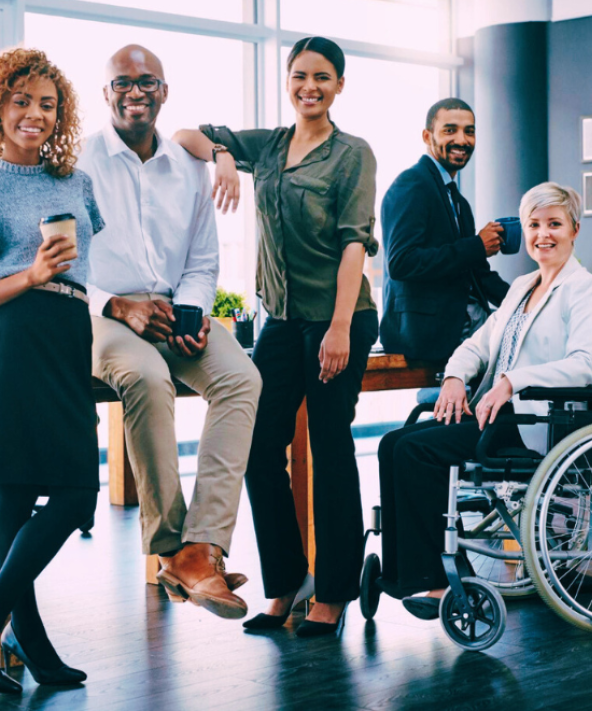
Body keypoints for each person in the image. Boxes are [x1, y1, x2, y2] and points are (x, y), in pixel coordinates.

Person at [174, 36, 380, 637]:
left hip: (337, 317)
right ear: (287, 81)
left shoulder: (352, 154)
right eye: (299, 76)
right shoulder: (268, 145)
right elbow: (186, 133)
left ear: (339, 85)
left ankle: (334, 592)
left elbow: (353, 244)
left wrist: (340, 326)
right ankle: (286, 582)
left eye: (321, 77)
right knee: (259, 447)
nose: (308, 87)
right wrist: (221, 156)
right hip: (281, 321)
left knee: (330, 444)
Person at [79, 45, 262, 620]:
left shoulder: (189, 167)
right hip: (101, 314)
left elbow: (203, 260)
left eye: (148, 82)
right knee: (145, 377)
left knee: (241, 378)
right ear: (106, 92)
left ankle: (202, 547)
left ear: (164, 91)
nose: (136, 92)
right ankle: (168, 547)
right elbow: (61, 266)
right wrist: (119, 305)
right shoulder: (79, 163)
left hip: (172, 310)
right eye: (123, 83)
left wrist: (190, 311)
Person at [377, 182, 592, 618]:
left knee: (415, 450)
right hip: (498, 416)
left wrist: (512, 381)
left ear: (575, 229)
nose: (543, 234)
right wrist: (453, 377)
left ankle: (434, 579)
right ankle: (403, 575)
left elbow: (585, 364)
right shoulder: (523, 285)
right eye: (534, 225)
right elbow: (478, 345)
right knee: (394, 442)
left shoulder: (587, 289)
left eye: (554, 224)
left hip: (539, 423)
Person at [0, 49, 103, 689]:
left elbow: (92, 259)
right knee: (74, 489)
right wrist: (34, 273)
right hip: (15, 333)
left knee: (11, 504)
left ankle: (31, 649)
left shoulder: (76, 182)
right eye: (21, 101)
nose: (35, 114)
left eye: (47, 103)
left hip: (70, 330)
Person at [380, 98, 509, 361]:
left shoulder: (458, 201)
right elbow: (402, 263)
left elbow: (477, 273)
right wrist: (476, 246)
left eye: (469, 131)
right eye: (450, 130)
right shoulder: (412, 184)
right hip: (427, 333)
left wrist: (529, 299)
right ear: (427, 136)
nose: (462, 140)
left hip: (463, 325)